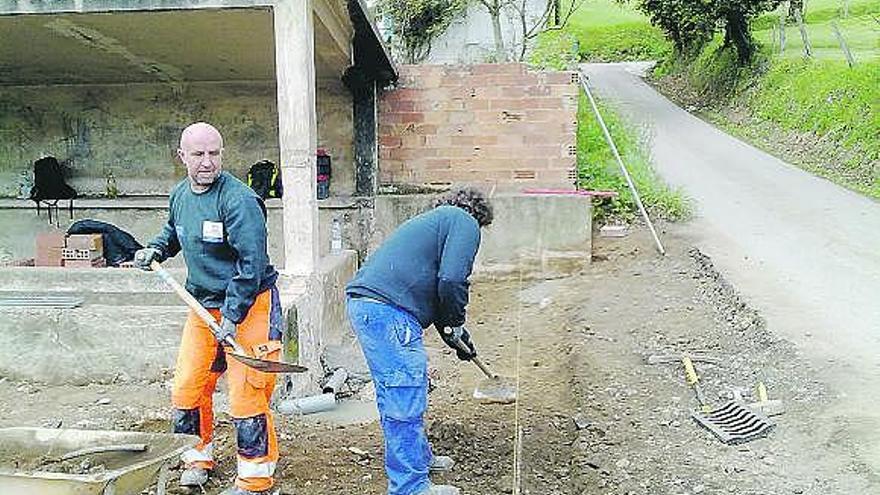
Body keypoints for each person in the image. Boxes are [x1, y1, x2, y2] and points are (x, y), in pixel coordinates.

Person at [134, 122, 281, 495]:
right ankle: (195, 457)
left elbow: (251, 267)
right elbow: (174, 232)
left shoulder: (240, 201)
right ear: (182, 156)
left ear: (222, 154)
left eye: (214, 153)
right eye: (198, 154)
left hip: (250, 305)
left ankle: (255, 478)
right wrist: (155, 248)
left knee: (247, 392)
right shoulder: (180, 195)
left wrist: (232, 317)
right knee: (187, 386)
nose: (207, 162)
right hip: (202, 304)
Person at [345, 187, 494, 495]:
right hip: (388, 312)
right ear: (478, 217)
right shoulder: (463, 221)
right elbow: (452, 279)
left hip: (371, 308)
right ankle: (409, 487)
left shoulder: (434, 225)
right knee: (404, 395)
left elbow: (438, 289)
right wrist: (455, 322)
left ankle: (419, 461)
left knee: (400, 391)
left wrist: (454, 335)